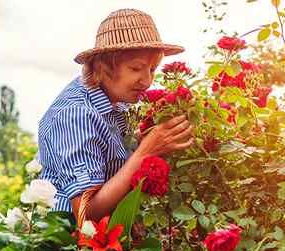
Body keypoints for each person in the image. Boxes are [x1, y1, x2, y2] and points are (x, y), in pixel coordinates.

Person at [38, 8, 194, 222]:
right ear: (103, 67)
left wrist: (143, 141)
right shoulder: (76, 115)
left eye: (152, 69)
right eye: (136, 68)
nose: (147, 81)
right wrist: (145, 152)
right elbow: (85, 214)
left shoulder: (114, 101)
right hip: (66, 246)